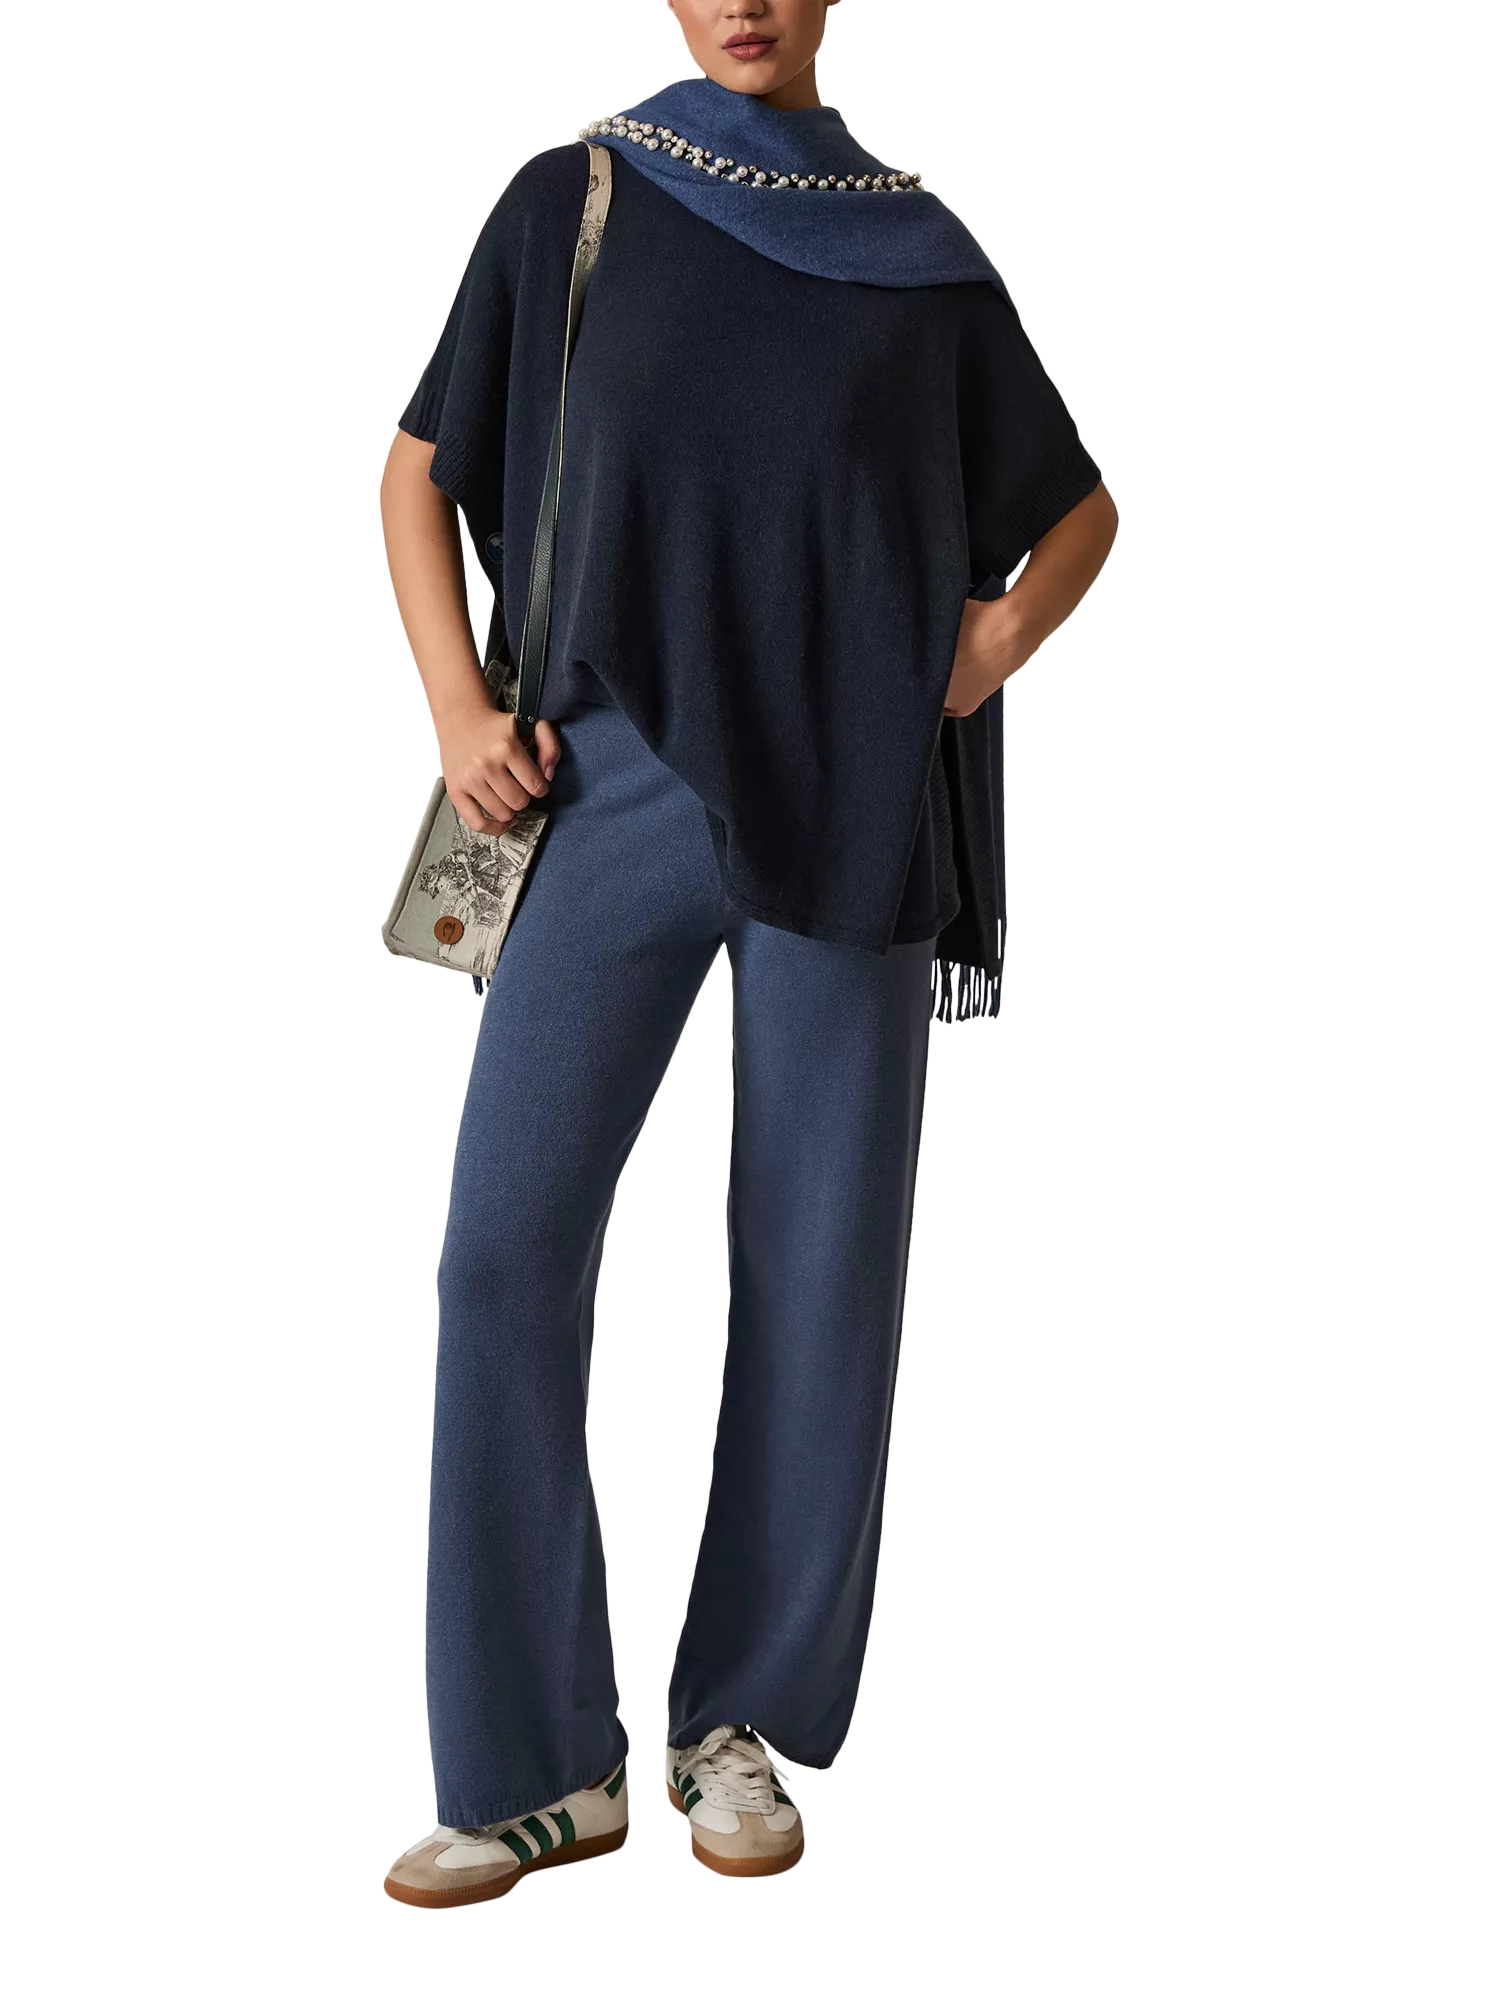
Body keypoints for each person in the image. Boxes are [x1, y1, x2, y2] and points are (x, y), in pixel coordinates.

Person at [379, 0, 1117, 1905]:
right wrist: (457, 706)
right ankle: (538, 1765)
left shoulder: (916, 253)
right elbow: (417, 469)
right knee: (499, 1255)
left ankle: (739, 1729)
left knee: (818, 1271)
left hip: (854, 802)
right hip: (607, 782)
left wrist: (985, 648)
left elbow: (1077, 510)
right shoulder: (575, 201)